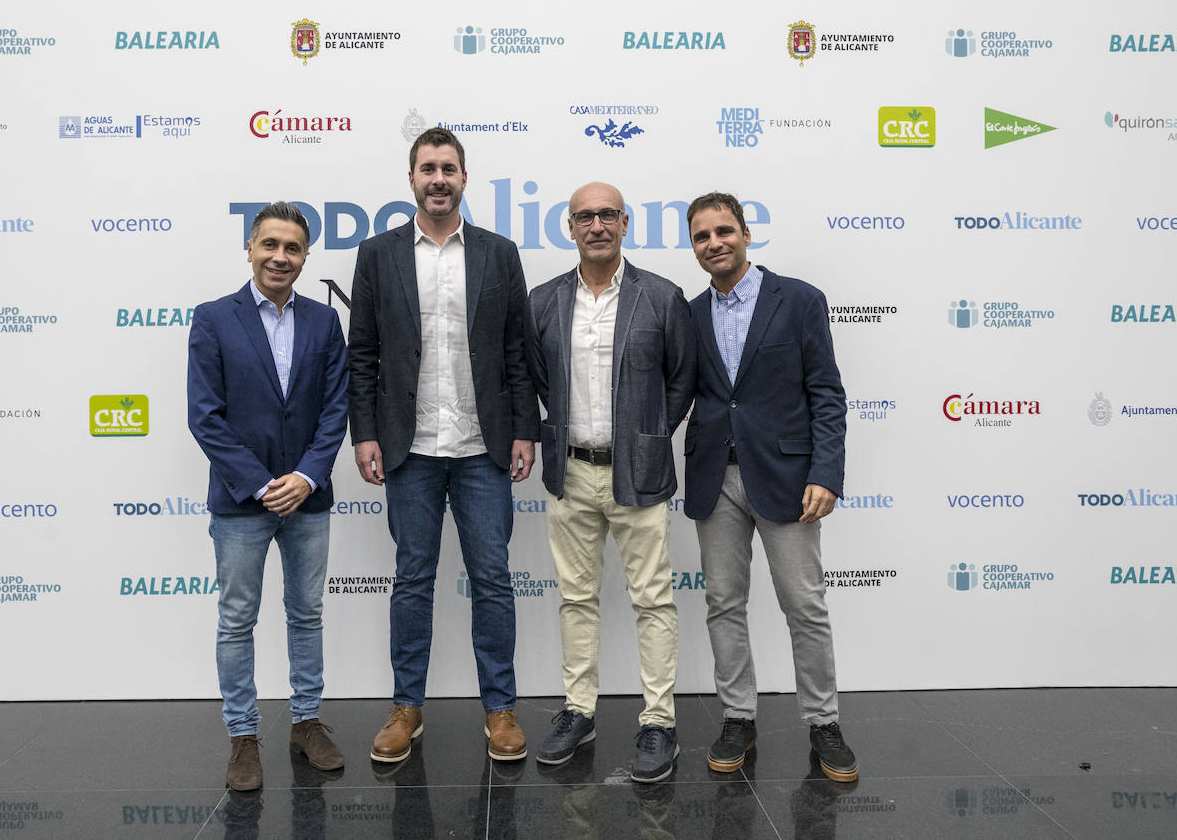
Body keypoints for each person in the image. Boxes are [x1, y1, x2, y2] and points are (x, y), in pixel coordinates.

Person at [347, 127, 539, 763]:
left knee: (492, 578)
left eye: (448, 168)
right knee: (412, 580)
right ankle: (407, 709)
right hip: (410, 447)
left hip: (483, 445)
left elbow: (517, 351)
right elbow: (364, 355)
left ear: (464, 178)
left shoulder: (498, 252)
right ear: (411, 179)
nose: (438, 178)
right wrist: (366, 433)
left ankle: (501, 709)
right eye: (427, 168)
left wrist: (523, 429)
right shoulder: (377, 255)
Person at [683, 191, 858, 782]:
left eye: (724, 231)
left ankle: (824, 722)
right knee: (723, 604)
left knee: (805, 605)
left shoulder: (800, 300)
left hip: (788, 480)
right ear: (694, 246)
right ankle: (738, 716)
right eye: (703, 236)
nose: (715, 243)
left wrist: (825, 472)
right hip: (715, 479)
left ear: (746, 233)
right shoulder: (688, 313)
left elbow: (827, 395)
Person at [524, 182, 696, 782]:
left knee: (652, 598)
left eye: (607, 215)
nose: (596, 224)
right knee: (576, 599)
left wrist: (650, 435)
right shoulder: (543, 300)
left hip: (639, 473)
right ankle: (579, 711)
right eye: (584, 217)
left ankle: (658, 721)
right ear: (569, 228)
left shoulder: (663, 297)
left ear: (625, 223)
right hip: (569, 472)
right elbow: (540, 380)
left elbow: (682, 381)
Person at [187, 201, 350, 790]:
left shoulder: (325, 323)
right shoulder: (212, 318)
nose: (281, 257)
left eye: (293, 248)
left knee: (306, 616)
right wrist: (261, 485)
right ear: (250, 248)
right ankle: (243, 737)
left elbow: (336, 410)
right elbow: (205, 418)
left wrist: (305, 477)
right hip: (241, 503)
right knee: (237, 621)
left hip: (308, 498)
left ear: (305, 258)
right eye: (270, 245)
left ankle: (306, 723)